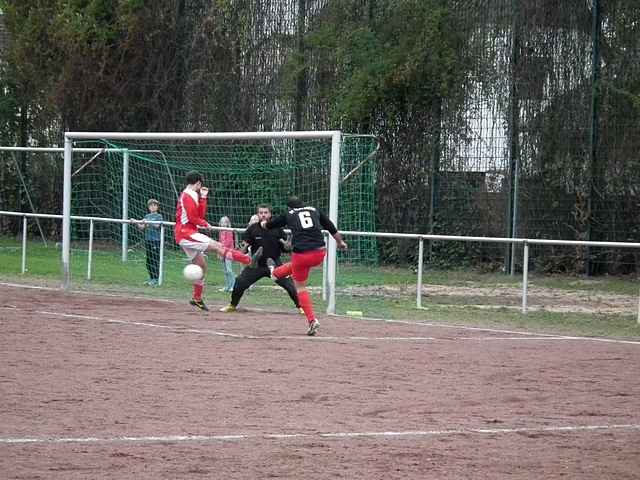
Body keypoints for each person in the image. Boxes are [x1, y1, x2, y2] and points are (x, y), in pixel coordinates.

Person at [175, 171, 262, 311]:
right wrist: (204, 223)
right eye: (200, 184)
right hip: (185, 232)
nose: (200, 187)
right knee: (218, 246)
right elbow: (192, 218)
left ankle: (197, 299)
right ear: (198, 183)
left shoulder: (192, 194)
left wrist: (203, 198)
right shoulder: (187, 195)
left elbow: (199, 215)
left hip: (187, 232)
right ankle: (247, 260)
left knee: (202, 266)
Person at [261, 196, 347, 336]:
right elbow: (330, 227)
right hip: (320, 253)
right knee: (294, 268)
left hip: (301, 255)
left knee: (300, 286)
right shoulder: (314, 210)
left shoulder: (289, 214)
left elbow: (270, 225)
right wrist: (340, 243)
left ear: (289, 208)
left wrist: (263, 224)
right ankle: (275, 273)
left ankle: (312, 320)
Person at [220, 204, 302, 314]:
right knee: (240, 282)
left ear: (270, 214)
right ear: (258, 214)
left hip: (275, 264)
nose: (263, 215)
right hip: (256, 264)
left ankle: (301, 307)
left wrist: (288, 245)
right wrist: (242, 249)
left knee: (290, 285)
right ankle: (232, 305)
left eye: (265, 213)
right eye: (261, 213)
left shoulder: (277, 228)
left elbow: (286, 248)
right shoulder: (252, 229)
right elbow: (244, 247)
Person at [134, 198, 163, 286]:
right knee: (149, 260)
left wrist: (147, 222)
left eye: (154, 205)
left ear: (157, 207)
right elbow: (141, 227)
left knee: (155, 260)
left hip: (156, 241)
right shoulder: (147, 216)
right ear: (148, 207)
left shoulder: (159, 216)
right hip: (148, 240)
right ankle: (151, 278)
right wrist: (136, 222)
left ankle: (156, 279)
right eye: (151, 205)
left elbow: (157, 225)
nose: (152, 207)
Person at [218, 216, 236, 292]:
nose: (223, 224)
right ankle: (227, 286)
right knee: (225, 271)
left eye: (225, 222)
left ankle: (233, 286)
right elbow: (219, 242)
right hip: (222, 252)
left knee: (229, 270)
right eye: (222, 222)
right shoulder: (221, 232)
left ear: (228, 223)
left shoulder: (229, 231)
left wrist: (222, 250)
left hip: (228, 253)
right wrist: (219, 252)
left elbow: (227, 243)